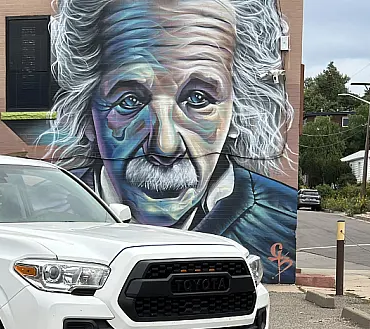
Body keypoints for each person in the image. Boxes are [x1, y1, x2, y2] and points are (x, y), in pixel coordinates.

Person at [45, 0, 298, 283]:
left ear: (236, 112)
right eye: (129, 101)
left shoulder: (284, 221)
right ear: (88, 113)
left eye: (198, 99)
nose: (165, 146)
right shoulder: (39, 219)